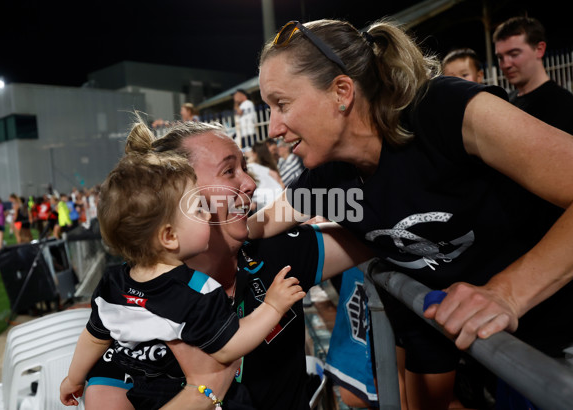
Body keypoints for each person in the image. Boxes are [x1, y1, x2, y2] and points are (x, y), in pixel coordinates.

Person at [251, 18, 573, 409]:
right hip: (486, 350)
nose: (273, 127)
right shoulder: (329, 179)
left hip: (555, 342)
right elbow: (259, 224)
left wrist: (506, 293)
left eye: (281, 104)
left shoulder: (444, 111)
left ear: (341, 91)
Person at [82, 120, 373, 410]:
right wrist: (203, 391)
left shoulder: (275, 250)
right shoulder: (130, 304)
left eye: (245, 168)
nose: (249, 183)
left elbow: (380, 232)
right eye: (229, 171)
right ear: (178, 196)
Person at [494, 15, 573, 134]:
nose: (506, 64)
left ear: (539, 49)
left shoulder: (566, 106)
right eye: (500, 57)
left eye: (514, 54)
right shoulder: (506, 103)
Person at [245, 140, 284, 211]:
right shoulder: (273, 170)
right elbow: (282, 186)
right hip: (281, 202)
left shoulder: (250, 168)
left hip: (266, 208)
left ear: (255, 154)